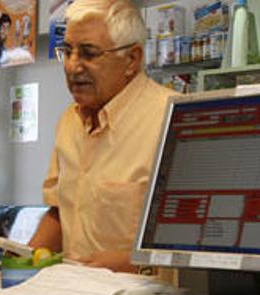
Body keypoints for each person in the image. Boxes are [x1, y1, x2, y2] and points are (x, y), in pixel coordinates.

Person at [30, 0, 178, 273]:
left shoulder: (173, 120)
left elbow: (195, 243)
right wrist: (23, 260)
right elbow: (60, 212)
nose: (73, 67)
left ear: (132, 60)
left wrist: (131, 265)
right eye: (68, 51)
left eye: (89, 53)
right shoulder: (69, 122)